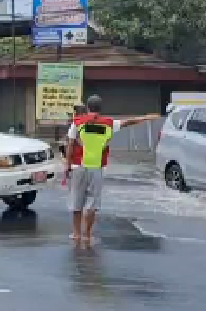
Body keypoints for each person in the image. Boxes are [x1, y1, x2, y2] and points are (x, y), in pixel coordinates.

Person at [64, 95, 158, 245]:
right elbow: (129, 122)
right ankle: (87, 235)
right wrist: (146, 117)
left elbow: (69, 145)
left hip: (78, 167)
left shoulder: (77, 123)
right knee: (93, 203)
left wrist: (67, 166)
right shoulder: (109, 123)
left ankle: (76, 234)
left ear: (87, 107)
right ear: (100, 109)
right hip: (96, 168)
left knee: (77, 201)